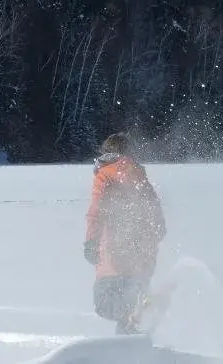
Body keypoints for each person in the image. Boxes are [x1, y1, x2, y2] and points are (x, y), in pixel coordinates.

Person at [84, 132, 166, 334]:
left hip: (113, 257)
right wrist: (147, 246)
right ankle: (134, 326)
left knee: (105, 304)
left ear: (106, 152)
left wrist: (92, 242)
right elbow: (158, 223)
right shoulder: (139, 175)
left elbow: (97, 212)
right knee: (132, 302)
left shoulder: (105, 174)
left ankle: (131, 326)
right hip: (141, 259)